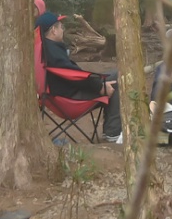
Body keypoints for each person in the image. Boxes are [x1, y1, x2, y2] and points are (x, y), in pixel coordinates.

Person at [38, 11, 123, 142]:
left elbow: (71, 74)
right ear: (53, 30)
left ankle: (110, 131)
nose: (63, 29)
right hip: (69, 100)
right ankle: (113, 132)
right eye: (61, 26)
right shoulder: (53, 53)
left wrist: (98, 82)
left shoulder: (45, 49)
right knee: (116, 82)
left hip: (59, 96)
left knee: (114, 75)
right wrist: (99, 86)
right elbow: (73, 75)